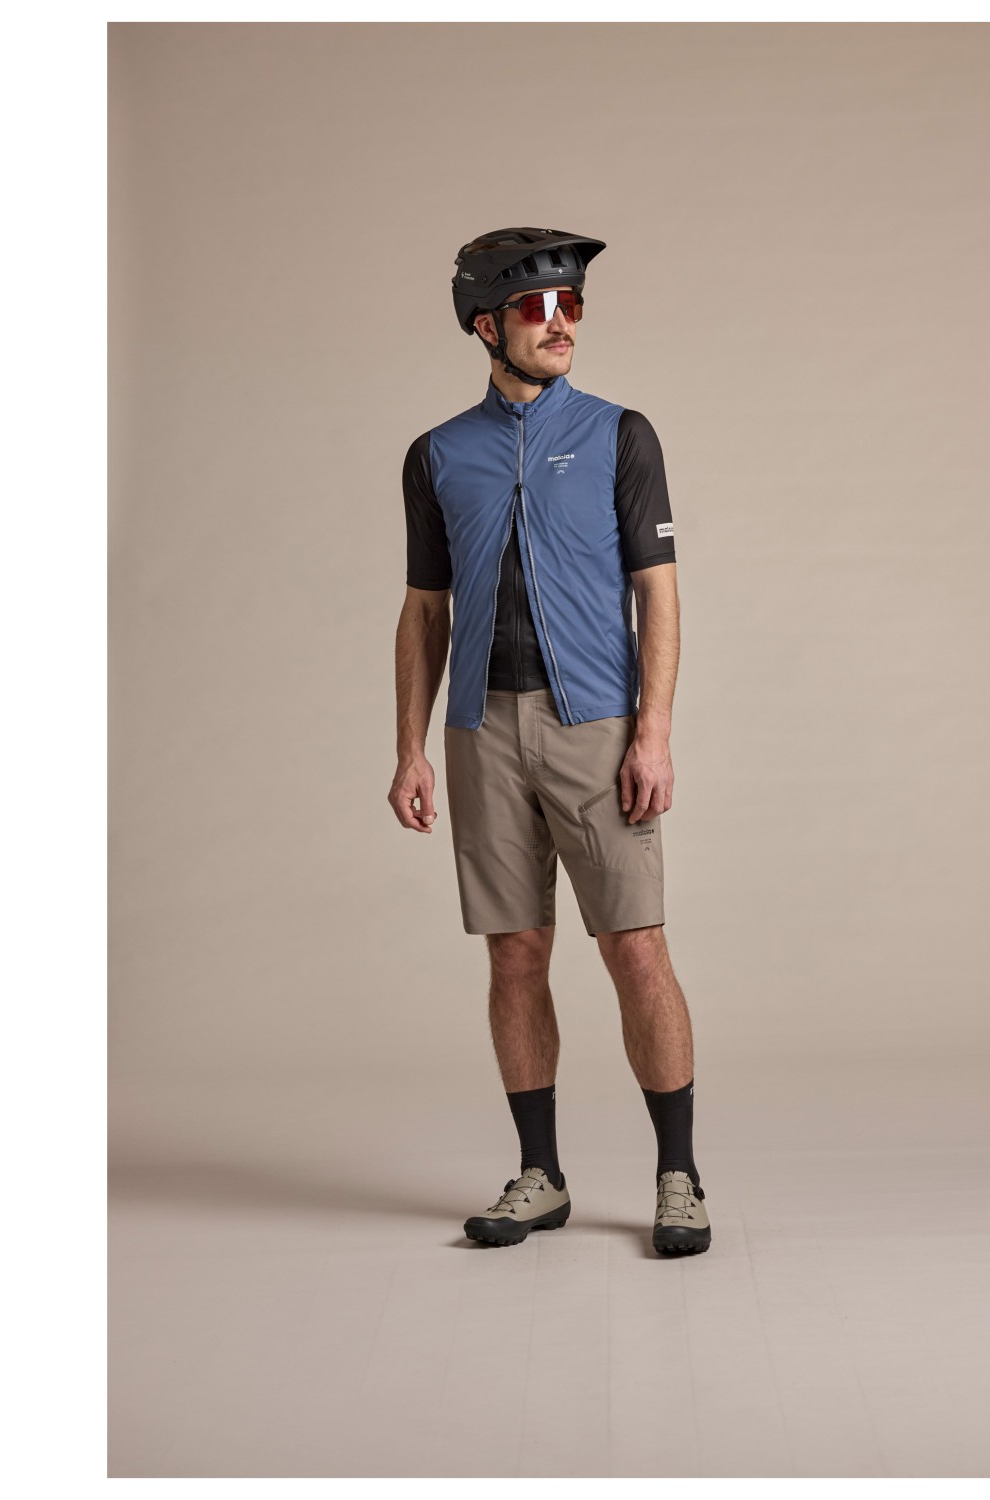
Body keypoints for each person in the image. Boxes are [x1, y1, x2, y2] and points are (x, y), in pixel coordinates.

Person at [388, 228, 710, 1255]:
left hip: (597, 728)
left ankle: (679, 1176)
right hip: (482, 730)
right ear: (486, 326)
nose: (561, 322)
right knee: (515, 955)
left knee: (635, 947)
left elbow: (658, 595)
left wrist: (653, 734)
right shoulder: (438, 454)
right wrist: (410, 748)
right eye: (537, 307)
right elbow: (424, 610)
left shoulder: (621, 436)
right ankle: (541, 1176)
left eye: (572, 304)